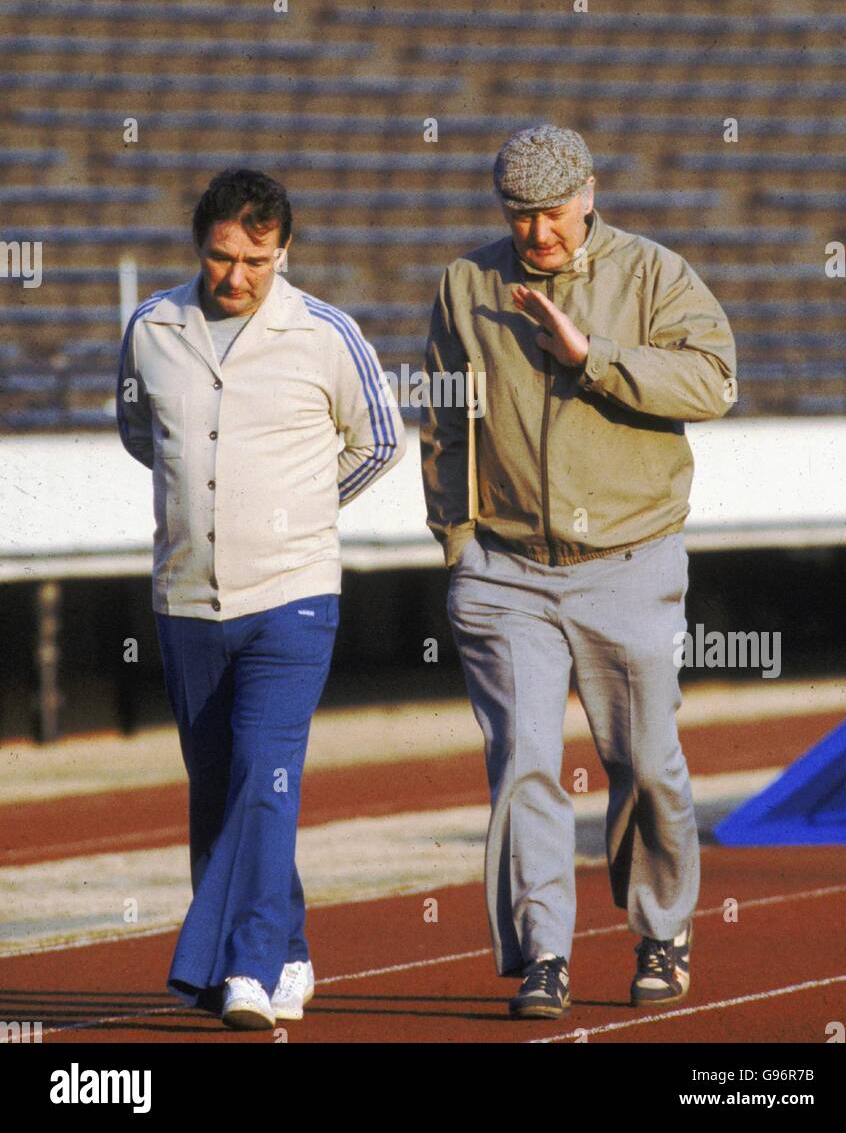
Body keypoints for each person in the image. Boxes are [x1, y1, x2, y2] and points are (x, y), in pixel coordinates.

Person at [420, 124, 737, 1019]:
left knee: (646, 760)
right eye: (519, 216)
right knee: (523, 761)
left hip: (628, 561)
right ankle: (545, 957)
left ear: (589, 195)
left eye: (552, 214)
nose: (537, 234)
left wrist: (591, 359)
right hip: (506, 571)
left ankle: (662, 928)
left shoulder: (654, 275)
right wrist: (458, 541)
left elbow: (714, 382)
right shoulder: (465, 285)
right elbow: (446, 420)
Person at [116, 167, 405, 1029]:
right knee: (219, 791)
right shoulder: (152, 328)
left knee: (265, 779)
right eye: (219, 256)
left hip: (293, 597)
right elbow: (143, 434)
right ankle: (289, 948)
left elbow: (379, 440)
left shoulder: (325, 334)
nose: (234, 276)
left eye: (255, 259)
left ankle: (239, 971)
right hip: (185, 599)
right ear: (198, 245)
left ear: (284, 252)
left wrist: (297, 514)